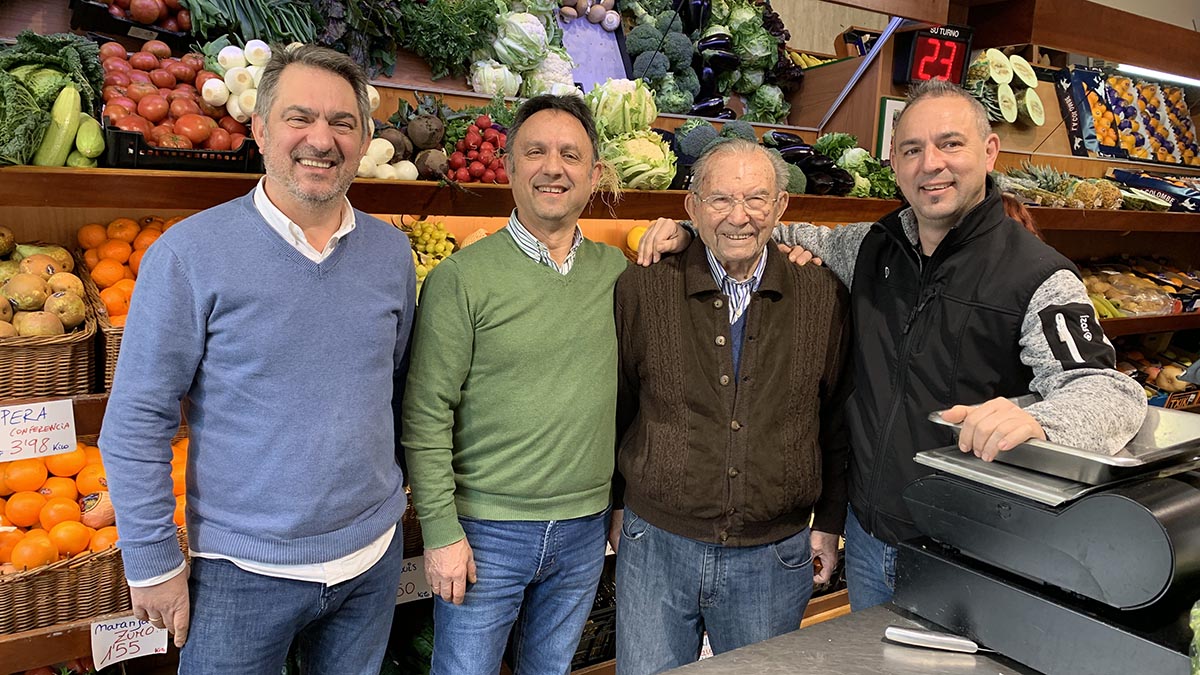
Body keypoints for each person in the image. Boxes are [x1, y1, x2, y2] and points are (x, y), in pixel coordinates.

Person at [637, 79, 1146, 611]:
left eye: (950, 144)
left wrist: (1042, 423)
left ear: (989, 151)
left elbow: (1109, 391)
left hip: (973, 553)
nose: (931, 164)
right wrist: (690, 230)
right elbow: (772, 231)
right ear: (896, 161)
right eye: (912, 149)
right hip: (868, 538)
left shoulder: (1038, 276)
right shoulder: (872, 246)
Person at [99, 45, 416, 674]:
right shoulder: (189, 255)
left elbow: (395, 385)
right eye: (299, 118)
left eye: (343, 123)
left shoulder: (391, 253)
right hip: (240, 575)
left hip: (371, 560)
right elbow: (136, 420)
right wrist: (154, 560)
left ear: (365, 137)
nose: (321, 140)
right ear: (261, 129)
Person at [402, 94, 628, 675]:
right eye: (536, 152)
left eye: (571, 154)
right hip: (485, 533)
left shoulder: (619, 274)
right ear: (508, 166)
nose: (554, 167)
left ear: (594, 174)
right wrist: (441, 531)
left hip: (584, 529)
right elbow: (426, 413)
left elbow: (636, 398)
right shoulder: (461, 279)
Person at [611, 138, 850, 675]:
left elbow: (836, 418)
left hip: (773, 555)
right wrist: (617, 506)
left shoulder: (822, 294)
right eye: (719, 200)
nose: (738, 217)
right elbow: (621, 404)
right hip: (656, 545)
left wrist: (829, 520)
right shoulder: (642, 287)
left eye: (756, 200)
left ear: (782, 208)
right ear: (691, 209)